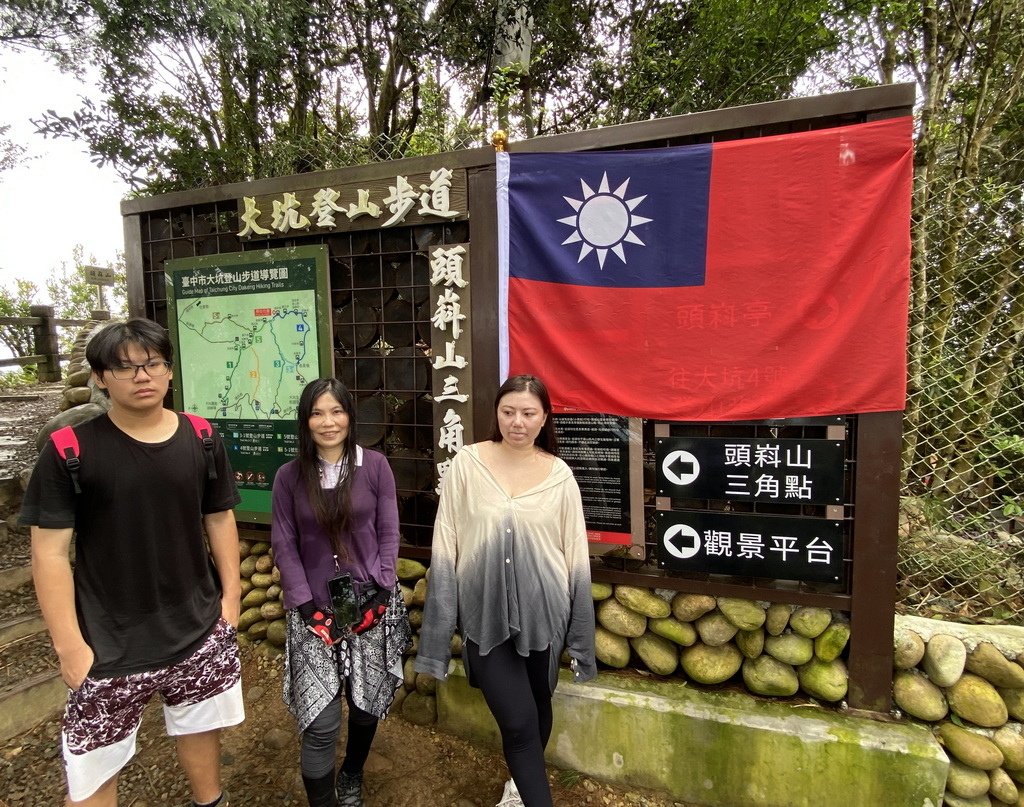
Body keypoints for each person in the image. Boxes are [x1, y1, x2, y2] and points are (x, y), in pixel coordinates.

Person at [21, 318, 243, 807]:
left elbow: (219, 518)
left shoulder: (202, 437)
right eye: (123, 368)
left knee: (202, 728)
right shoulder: (70, 450)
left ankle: (211, 801)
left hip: (198, 625)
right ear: (100, 378)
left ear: (168, 370)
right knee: (95, 761)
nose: (141, 376)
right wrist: (69, 647)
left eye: (152, 364)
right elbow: (49, 553)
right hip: (108, 641)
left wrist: (230, 600)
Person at [415, 374, 597, 807]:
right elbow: (447, 544)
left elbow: (576, 556)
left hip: (545, 615)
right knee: (517, 722)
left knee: (536, 706)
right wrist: (438, 635)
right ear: (497, 413)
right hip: (484, 614)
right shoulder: (468, 464)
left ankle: (518, 785)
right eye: (508, 411)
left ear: (544, 418)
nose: (518, 422)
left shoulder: (559, 476)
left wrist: (579, 637)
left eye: (529, 413)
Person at [271, 377, 411, 807]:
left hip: (369, 601)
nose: (328, 422)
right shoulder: (289, 475)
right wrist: (306, 604)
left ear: (350, 416)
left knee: (366, 702)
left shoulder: (375, 466)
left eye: (336, 411)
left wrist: (383, 590)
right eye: (317, 412)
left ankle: (352, 773)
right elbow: (283, 542)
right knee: (322, 718)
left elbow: (389, 531)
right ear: (305, 420)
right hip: (314, 606)